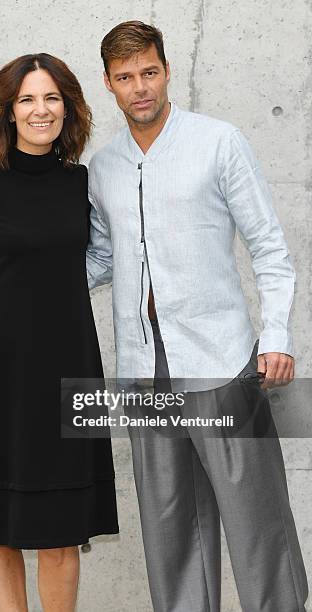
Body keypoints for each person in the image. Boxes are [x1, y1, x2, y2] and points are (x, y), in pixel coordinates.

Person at [86, 20, 308, 612]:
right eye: (126, 77)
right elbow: (101, 259)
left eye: (150, 73)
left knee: (256, 520)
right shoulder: (103, 166)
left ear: (167, 69)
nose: (141, 88)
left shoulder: (219, 141)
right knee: (170, 530)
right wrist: (17, 271)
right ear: (109, 83)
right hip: (144, 370)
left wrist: (277, 337)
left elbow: (269, 247)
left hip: (221, 362)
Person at [0, 52, 119, 612]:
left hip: (71, 369)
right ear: (8, 111)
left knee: (63, 530)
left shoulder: (85, 184)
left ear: (68, 109)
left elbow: (112, 256)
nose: (40, 110)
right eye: (27, 99)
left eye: (51, 98)